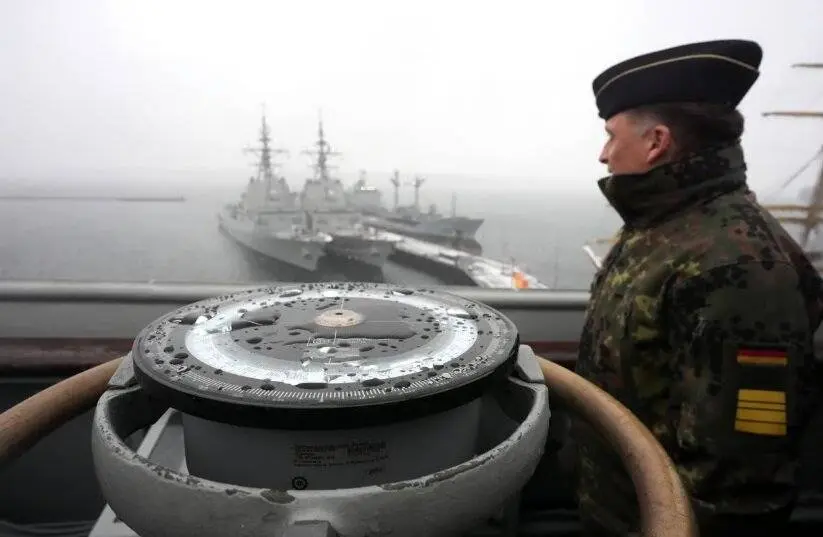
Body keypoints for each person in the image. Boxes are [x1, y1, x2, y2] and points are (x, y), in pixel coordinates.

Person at [574, 39, 823, 537]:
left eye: (611, 136)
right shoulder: (665, 228)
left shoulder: (739, 265)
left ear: (656, 142)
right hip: (620, 512)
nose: (604, 155)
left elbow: (738, 480)